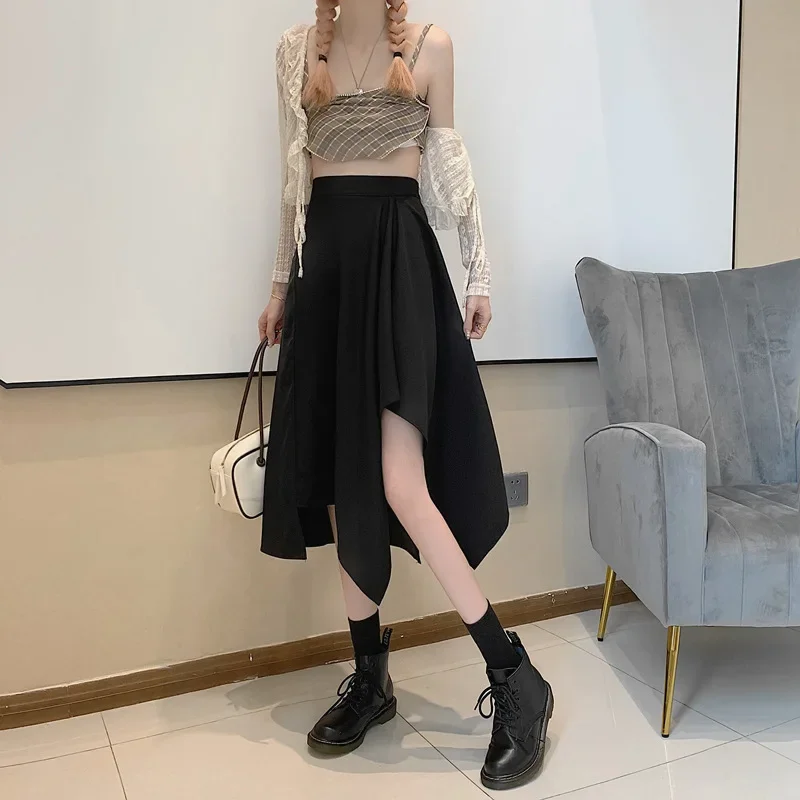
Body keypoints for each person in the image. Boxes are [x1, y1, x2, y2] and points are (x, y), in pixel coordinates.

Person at [257, 0, 553, 789]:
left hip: (398, 272)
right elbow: (291, 183)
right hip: (327, 277)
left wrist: (480, 272)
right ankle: (371, 677)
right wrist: (281, 286)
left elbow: (450, 169)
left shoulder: (430, 46)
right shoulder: (294, 52)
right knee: (339, 483)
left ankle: (515, 676)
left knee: (399, 481)